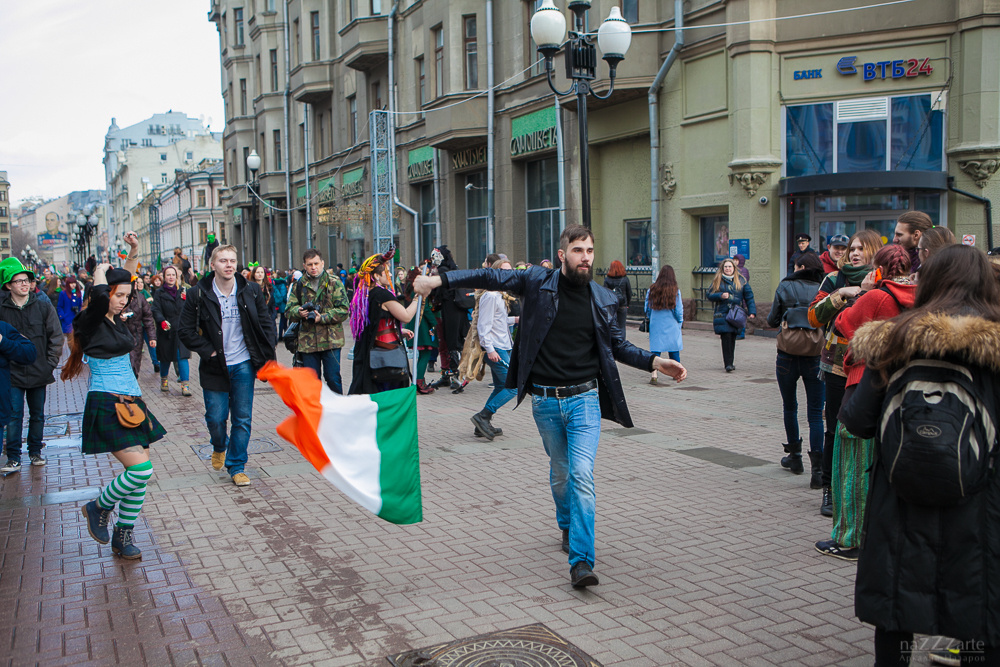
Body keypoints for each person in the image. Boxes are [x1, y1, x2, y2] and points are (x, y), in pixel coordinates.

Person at [413, 225, 687, 588]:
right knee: (561, 473)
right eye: (578, 250)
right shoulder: (537, 282)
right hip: (545, 401)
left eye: (589, 250)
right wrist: (439, 281)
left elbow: (618, 346)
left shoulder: (604, 299)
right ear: (563, 255)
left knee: (582, 475)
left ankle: (581, 562)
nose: (585, 257)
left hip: (585, 400)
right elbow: (489, 275)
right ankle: (565, 523)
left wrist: (655, 362)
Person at [838, 245, 1000, 667]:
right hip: (980, 505)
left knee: (895, 613)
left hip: (899, 501)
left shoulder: (894, 339)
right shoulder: (995, 344)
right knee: (979, 610)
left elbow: (856, 421)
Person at [814, 244, 915, 562]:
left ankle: (849, 539)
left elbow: (843, 324)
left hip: (863, 384)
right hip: (900, 388)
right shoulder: (921, 296)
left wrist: (861, 292)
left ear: (879, 269)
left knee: (853, 464)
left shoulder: (877, 296)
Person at [67, 265, 166, 560]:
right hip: (108, 401)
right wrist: (99, 273)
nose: (124, 300)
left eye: (126, 295)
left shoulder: (114, 320)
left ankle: (123, 535)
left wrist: (132, 256)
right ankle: (98, 506)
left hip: (130, 402)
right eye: (117, 295)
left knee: (138, 476)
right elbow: (98, 298)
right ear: (103, 293)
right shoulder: (90, 320)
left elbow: (125, 287)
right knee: (141, 470)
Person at [178, 245, 276, 487]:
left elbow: (267, 324)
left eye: (232, 260)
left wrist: (266, 353)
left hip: (243, 364)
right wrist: (208, 350)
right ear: (213, 265)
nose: (229, 265)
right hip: (214, 365)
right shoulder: (197, 294)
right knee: (216, 418)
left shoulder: (250, 290)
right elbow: (185, 331)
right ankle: (219, 445)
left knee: (242, 419)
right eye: (223, 260)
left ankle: (237, 466)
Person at [807, 229, 883, 517]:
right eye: (852, 248)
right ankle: (829, 489)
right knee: (835, 428)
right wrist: (841, 294)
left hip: (872, 363)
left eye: (860, 248)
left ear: (874, 250)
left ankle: (866, 487)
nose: (853, 253)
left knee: (869, 427)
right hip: (838, 365)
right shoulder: (834, 279)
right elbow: (813, 316)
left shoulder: (882, 279)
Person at [766, 252, 826, 485]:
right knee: (815, 413)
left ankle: (796, 458)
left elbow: (772, 320)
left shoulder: (785, 286)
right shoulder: (824, 286)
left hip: (787, 356)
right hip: (815, 356)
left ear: (799, 267)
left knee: (790, 406)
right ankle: (818, 471)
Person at [0, 258, 65, 471]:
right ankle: (13, 456)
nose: (24, 284)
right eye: (18, 281)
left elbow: (56, 337)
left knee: (37, 414)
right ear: (8, 285)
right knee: (13, 415)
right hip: (12, 373)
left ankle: (35, 451)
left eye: (27, 280)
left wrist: (49, 364)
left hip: (39, 370)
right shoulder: (2, 309)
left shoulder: (43, 306)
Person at [348, 249, 419, 394]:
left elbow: (374, 322)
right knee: (387, 395)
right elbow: (406, 316)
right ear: (376, 276)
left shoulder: (363, 295)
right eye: (386, 271)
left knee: (367, 393)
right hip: (383, 357)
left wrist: (399, 331)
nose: (391, 274)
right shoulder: (382, 294)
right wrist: (418, 299)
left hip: (366, 352)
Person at [286, 249, 350, 393]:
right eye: (310, 264)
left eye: (316, 263)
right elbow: (289, 310)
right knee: (311, 382)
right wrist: (299, 312)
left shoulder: (334, 283)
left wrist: (322, 317)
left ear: (322, 263)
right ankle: (315, 414)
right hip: (308, 341)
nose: (313, 267)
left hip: (331, 340)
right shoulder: (299, 284)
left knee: (333, 378)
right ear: (304, 265)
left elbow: (344, 310)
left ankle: (336, 413)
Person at [469, 259, 519, 440]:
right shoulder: (491, 296)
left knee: (500, 386)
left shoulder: (500, 294)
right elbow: (484, 325)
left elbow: (498, 320)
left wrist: (515, 320)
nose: (508, 274)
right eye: (504, 271)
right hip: (496, 347)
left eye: (510, 271)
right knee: (513, 387)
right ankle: (482, 416)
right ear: (496, 273)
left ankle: (482, 423)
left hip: (504, 345)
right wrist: (490, 349)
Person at [707, 257, 756, 372]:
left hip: (736, 313)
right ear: (722, 268)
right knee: (726, 336)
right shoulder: (718, 280)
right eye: (726, 267)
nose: (728, 269)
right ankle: (728, 364)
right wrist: (720, 295)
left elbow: (749, 297)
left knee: (732, 337)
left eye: (730, 266)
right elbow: (709, 295)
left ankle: (730, 362)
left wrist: (752, 311)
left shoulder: (741, 280)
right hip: (722, 313)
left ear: (734, 268)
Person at [151, 265, 193, 397]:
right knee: (165, 357)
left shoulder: (183, 291)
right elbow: (155, 309)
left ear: (177, 277)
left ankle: (185, 386)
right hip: (166, 330)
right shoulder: (159, 293)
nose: (171, 277)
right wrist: (162, 321)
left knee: (182, 357)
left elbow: (190, 309)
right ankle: (164, 380)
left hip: (181, 330)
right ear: (164, 277)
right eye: (168, 275)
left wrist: (187, 301)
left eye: (173, 275)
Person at [429, 246, 466, 390]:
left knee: (451, 343)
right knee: (453, 342)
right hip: (456, 310)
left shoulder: (443, 271)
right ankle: (450, 376)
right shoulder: (452, 269)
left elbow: (439, 292)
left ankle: (455, 377)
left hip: (450, 311)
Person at [645, 265, 684, 385]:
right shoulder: (675, 291)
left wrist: (651, 317)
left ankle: (654, 374)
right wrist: (680, 321)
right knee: (674, 349)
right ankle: (677, 372)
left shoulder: (652, 290)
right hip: (671, 323)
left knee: (656, 350)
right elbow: (678, 310)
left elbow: (647, 309)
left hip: (656, 324)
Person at [402, 268, 439, 395]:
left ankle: (418, 380)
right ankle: (418, 382)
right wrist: (434, 323)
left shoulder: (410, 288)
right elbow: (425, 308)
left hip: (415, 323)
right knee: (425, 354)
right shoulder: (419, 289)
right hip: (422, 325)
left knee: (422, 355)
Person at [122, 275, 157, 377]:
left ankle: (134, 381)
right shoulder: (120, 297)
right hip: (122, 335)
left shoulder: (140, 298)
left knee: (135, 362)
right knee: (127, 362)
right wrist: (119, 317)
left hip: (137, 335)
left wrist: (152, 337)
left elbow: (148, 318)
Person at [135, 276, 159, 372]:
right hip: (136, 325)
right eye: (138, 282)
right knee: (136, 346)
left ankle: (156, 363)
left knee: (152, 344)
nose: (140, 284)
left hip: (146, 324)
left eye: (141, 282)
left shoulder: (146, 293)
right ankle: (135, 366)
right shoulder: (133, 295)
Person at [603, 260, 632, 333]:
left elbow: (604, 293)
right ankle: (621, 342)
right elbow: (629, 292)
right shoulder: (625, 279)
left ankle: (613, 341)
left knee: (612, 325)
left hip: (611, 305)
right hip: (622, 304)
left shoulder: (607, 280)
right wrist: (627, 304)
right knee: (622, 326)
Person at [272, 270, 289, 339]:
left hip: (276, 303)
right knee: (283, 320)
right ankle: (282, 335)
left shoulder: (274, 282)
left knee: (278, 320)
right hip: (283, 304)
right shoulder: (283, 284)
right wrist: (287, 301)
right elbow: (284, 295)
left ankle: (280, 335)